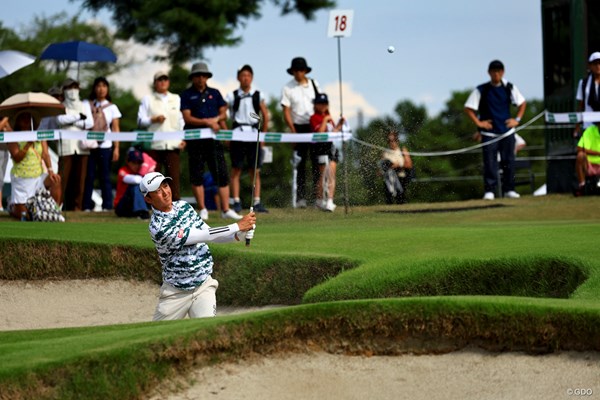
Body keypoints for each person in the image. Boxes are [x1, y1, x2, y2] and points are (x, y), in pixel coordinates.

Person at [140, 171, 256, 321]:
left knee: (208, 332)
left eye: (165, 186)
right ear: (148, 199)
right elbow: (202, 236)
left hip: (203, 286)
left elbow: (210, 234)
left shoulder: (184, 207)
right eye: (157, 191)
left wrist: (239, 234)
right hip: (175, 293)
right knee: (156, 337)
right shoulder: (158, 227)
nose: (165, 192)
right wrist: (237, 225)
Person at [180, 62, 241, 221]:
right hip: (195, 140)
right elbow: (187, 117)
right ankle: (202, 209)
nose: (201, 78)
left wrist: (216, 119)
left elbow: (223, 113)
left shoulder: (215, 92)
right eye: (197, 76)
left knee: (221, 173)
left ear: (207, 77)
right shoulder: (187, 94)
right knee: (197, 174)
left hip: (214, 141)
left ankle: (226, 209)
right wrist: (207, 122)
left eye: (203, 75)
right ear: (193, 78)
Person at [464, 59, 526, 200]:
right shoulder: (482, 89)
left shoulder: (509, 87)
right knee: (490, 163)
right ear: (489, 72)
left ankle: (509, 189)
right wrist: (479, 123)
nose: (496, 74)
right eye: (493, 71)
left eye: (498, 71)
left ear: (502, 72)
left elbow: (522, 103)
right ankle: (489, 191)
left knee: (508, 161)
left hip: (507, 131)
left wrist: (517, 120)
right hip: (489, 133)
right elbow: (468, 108)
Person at [225, 64, 269, 213]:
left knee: (255, 170)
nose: (245, 78)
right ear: (238, 77)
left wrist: (263, 135)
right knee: (236, 169)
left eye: (248, 75)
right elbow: (223, 113)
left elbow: (265, 115)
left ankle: (256, 201)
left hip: (253, 133)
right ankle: (236, 201)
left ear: (252, 78)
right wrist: (226, 134)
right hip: (237, 133)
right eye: (243, 75)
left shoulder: (258, 95)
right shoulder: (232, 95)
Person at [137, 70, 185, 201]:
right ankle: (152, 206)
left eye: (165, 79)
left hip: (173, 144)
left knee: (173, 178)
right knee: (152, 180)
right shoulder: (148, 99)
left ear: (168, 82)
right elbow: (140, 121)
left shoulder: (176, 98)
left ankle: (175, 208)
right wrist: (153, 119)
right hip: (154, 145)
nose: (163, 82)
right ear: (155, 83)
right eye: (160, 80)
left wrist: (182, 139)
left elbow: (180, 121)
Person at [281, 57, 321, 208]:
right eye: (296, 70)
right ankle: (301, 198)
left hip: (314, 126)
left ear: (305, 71)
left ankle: (318, 198)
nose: (298, 73)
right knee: (300, 164)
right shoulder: (288, 88)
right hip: (298, 127)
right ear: (292, 72)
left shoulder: (314, 84)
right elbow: (286, 111)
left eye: (301, 70)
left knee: (317, 162)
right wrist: (292, 131)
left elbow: (322, 104)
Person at [6, 111, 61, 220]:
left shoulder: (39, 134)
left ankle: (54, 210)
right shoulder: (12, 136)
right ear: (18, 121)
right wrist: (28, 144)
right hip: (21, 178)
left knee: (56, 180)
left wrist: (50, 171)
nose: (26, 120)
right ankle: (12, 206)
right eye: (23, 117)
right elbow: (17, 157)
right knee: (25, 217)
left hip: (38, 176)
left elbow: (45, 154)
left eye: (28, 117)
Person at [54, 78, 93, 211]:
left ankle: (77, 207)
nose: (72, 91)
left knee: (80, 179)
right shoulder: (60, 105)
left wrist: (72, 120)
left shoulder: (85, 105)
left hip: (82, 147)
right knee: (63, 178)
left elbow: (89, 123)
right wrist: (78, 117)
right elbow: (60, 120)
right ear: (64, 90)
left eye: (75, 87)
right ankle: (58, 205)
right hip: (66, 146)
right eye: (69, 88)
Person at [83, 77, 122, 211]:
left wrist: (117, 147)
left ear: (108, 89)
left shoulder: (112, 107)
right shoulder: (87, 105)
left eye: (104, 86)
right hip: (90, 145)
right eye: (98, 86)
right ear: (94, 88)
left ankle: (107, 205)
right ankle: (86, 205)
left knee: (105, 176)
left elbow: (116, 128)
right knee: (89, 176)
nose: (101, 89)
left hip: (106, 146)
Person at [309, 93, 344, 212]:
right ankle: (319, 200)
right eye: (320, 103)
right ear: (316, 105)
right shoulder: (314, 118)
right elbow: (319, 134)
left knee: (331, 175)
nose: (323, 106)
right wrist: (325, 120)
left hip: (331, 148)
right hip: (320, 148)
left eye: (325, 103)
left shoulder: (329, 118)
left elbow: (333, 132)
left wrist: (339, 125)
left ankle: (330, 200)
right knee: (323, 175)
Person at [114, 148, 149, 218]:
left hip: (132, 205)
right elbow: (135, 180)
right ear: (128, 162)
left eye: (139, 163)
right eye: (134, 162)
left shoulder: (140, 173)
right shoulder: (122, 171)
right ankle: (142, 211)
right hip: (121, 205)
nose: (136, 165)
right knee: (135, 186)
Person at [380, 130, 413, 205]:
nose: (391, 142)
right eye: (389, 141)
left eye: (393, 140)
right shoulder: (385, 152)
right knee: (389, 197)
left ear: (397, 141)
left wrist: (398, 165)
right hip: (388, 178)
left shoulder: (402, 150)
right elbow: (380, 167)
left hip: (400, 177)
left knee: (400, 197)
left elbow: (409, 165)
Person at [574, 52, 600, 137]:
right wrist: (577, 127)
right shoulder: (583, 83)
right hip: (589, 126)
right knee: (584, 150)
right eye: (595, 63)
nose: (598, 66)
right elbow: (580, 106)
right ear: (590, 66)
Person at [574, 122, 600, 196]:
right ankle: (582, 186)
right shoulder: (589, 131)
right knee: (580, 156)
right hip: (589, 165)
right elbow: (580, 149)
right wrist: (598, 153)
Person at [0, 117, 11, 212]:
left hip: (4, 149)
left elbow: (10, 131)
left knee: (1, 178)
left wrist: (5, 125)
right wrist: (5, 119)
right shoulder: (5, 116)